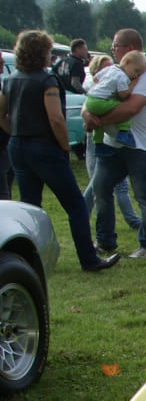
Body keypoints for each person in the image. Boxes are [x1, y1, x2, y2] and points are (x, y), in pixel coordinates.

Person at [0, 30, 119, 270]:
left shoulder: (10, 80)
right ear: (42, 53)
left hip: (18, 146)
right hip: (44, 147)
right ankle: (89, 259)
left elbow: (1, 115)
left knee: (29, 206)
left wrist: (15, 132)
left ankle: (30, 261)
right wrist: (65, 147)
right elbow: (55, 119)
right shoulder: (47, 81)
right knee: (75, 205)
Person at [84, 27, 146, 260]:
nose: (113, 50)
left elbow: (130, 108)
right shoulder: (113, 72)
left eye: (115, 47)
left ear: (128, 49)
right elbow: (94, 96)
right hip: (113, 144)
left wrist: (96, 121)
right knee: (101, 188)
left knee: (144, 196)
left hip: (140, 146)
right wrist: (86, 113)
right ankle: (105, 240)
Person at [80, 54, 141, 232]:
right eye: (104, 68)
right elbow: (89, 108)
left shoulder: (110, 81)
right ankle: (84, 218)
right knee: (98, 185)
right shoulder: (100, 86)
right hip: (101, 139)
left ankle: (131, 221)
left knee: (111, 186)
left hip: (106, 137)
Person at [83, 50, 146, 148]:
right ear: (127, 62)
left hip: (90, 99)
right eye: (136, 71)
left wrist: (105, 86)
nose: (136, 75)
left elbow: (96, 79)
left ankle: (98, 143)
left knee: (98, 118)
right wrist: (132, 84)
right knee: (123, 110)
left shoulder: (111, 68)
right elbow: (123, 94)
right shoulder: (122, 76)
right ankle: (123, 133)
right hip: (100, 101)